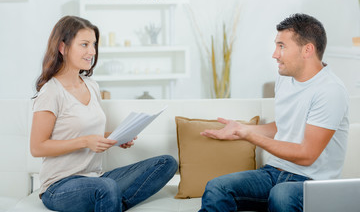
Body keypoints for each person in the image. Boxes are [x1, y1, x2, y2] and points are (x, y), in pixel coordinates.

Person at [199, 13, 349, 212]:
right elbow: (284, 126)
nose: (275, 54)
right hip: (273, 173)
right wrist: (240, 129)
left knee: (282, 195)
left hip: (312, 182)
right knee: (217, 187)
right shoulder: (285, 78)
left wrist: (250, 136)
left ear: (307, 50)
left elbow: (307, 155)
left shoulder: (330, 91)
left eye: (282, 46)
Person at [30, 15, 178, 212]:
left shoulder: (91, 85)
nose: (92, 51)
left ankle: (109, 202)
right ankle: (109, 200)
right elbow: (37, 147)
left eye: (94, 44)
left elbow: (92, 135)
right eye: (84, 44)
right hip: (60, 186)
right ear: (62, 48)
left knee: (166, 163)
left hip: (97, 179)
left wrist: (116, 137)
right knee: (107, 188)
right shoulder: (51, 91)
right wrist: (85, 141)